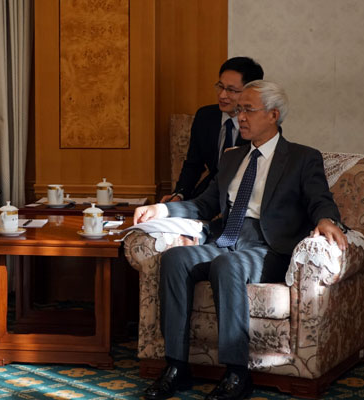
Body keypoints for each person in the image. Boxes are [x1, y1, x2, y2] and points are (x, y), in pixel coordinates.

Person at [135, 80, 348, 400]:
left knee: (228, 265)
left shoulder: (302, 158)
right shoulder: (232, 157)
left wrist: (326, 220)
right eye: (238, 111)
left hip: (267, 246)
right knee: (176, 258)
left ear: (273, 115)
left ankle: (237, 373)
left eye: (248, 110)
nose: (240, 118)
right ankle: (176, 366)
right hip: (226, 238)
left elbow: (320, 199)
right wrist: (162, 209)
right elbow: (204, 204)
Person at [161, 57, 264, 203]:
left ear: (250, 92)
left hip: (246, 198)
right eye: (220, 87)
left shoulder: (262, 124)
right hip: (208, 194)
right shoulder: (205, 117)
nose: (222, 95)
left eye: (231, 90)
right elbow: (194, 164)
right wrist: (179, 194)